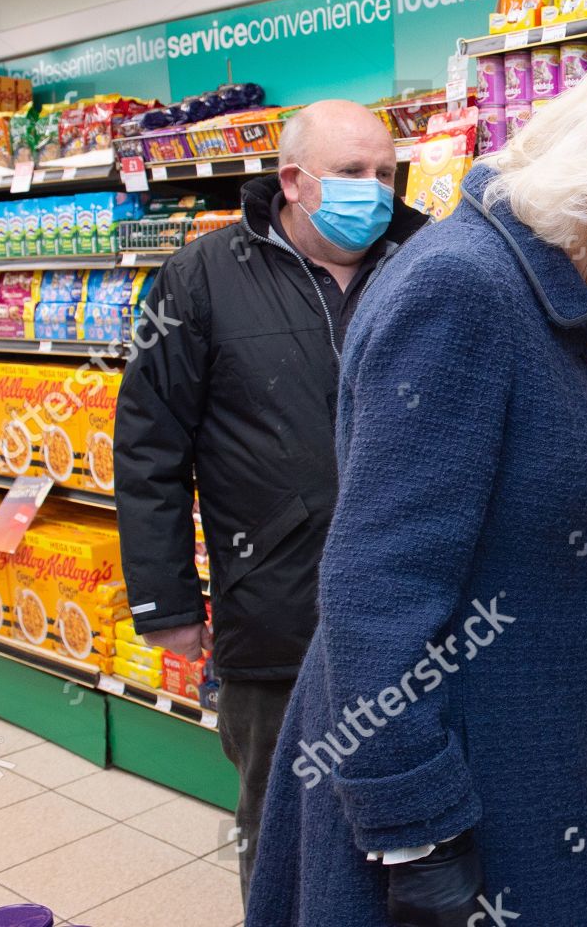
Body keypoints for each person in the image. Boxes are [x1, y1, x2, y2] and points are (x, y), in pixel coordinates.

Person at [243, 52, 587, 927]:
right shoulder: (465, 290)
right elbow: (380, 582)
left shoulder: (526, 289)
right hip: (463, 777)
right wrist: (416, 829)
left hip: (519, 750)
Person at [114, 99, 428, 908]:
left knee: (421, 833)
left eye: (386, 173)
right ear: (294, 181)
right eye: (353, 174)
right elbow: (149, 448)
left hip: (423, 613)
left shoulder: (430, 262)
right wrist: (164, 601)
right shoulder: (201, 276)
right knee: (286, 831)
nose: (376, 190)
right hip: (276, 616)